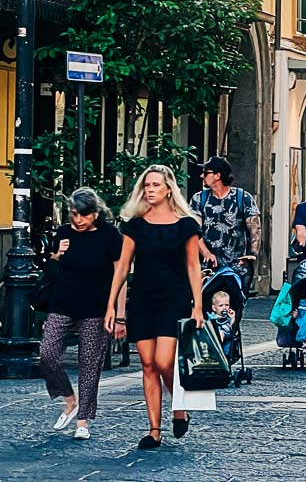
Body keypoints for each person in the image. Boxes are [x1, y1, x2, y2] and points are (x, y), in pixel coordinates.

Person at [104, 165, 204, 450]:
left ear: (169, 189)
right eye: (146, 185)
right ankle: (154, 430)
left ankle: (180, 404)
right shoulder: (134, 224)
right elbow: (123, 266)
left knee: (164, 361)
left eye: (156, 185)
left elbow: (193, 266)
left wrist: (197, 306)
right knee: (147, 364)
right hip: (143, 298)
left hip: (174, 297)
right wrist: (112, 306)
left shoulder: (187, 224)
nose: (149, 189)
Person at [38, 188, 124, 441]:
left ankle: (83, 420)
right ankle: (69, 398)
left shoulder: (110, 235)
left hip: (96, 307)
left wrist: (118, 313)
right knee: (47, 354)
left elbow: (120, 276)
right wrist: (57, 253)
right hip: (62, 302)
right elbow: (52, 270)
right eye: (74, 214)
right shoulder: (64, 233)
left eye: (83, 216)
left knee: (89, 365)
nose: (78, 220)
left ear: (95, 213)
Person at [192, 156, 261, 284]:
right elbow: (194, 230)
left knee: (233, 303)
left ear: (217, 175)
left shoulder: (243, 198)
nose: (202, 176)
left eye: (206, 172)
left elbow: (254, 227)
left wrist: (252, 254)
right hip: (206, 269)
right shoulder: (199, 199)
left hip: (236, 267)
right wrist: (206, 253)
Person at [208, 290, 235, 361]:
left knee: (221, 334)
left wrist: (232, 318)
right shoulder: (212, 316)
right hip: (213, 334)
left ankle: (217, 350)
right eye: (221, 305)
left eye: (227, 305)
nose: (224, 307)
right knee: (218, 333)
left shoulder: (228, 317)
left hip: (226, 334)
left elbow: (233, 328)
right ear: (214, 308)